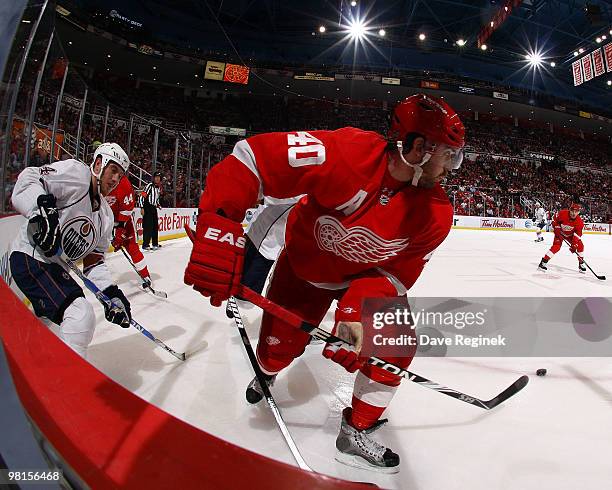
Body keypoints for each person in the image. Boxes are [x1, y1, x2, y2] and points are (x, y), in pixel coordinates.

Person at [184, 93, 466, 473]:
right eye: (449, 154)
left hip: (362, 281)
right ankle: (267, 371)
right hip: (304, 272)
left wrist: (355, 313)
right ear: (418, 148)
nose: (453, 166)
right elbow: (252, 159)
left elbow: (396, 275)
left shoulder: (437, 213)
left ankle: (357, 430)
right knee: (276, 353)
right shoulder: (346, 153)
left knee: (396, 343)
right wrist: (220, 223)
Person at [9, 143, 132, 359]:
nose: (115, 180)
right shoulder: (77, 174)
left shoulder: (106, 216)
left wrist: (110, 293)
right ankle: (67, 383)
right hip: (30, 255)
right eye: (113, 170)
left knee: (60, 325)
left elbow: (94, 261)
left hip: (54, 268)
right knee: (80, 315)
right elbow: (29, 177)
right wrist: (40, 211)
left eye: (120, 176)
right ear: (98, 163)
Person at [105, 174, 153, 288]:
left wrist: (119, 234)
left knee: (132, 248)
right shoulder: (99, 180)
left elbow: (126, 211)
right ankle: (100, 280)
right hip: (105, 220)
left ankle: (145, 275)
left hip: (124, 222)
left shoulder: (124, 184)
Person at [538, 202, 586, 273]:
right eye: (572, 211)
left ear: (578, 212)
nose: (573, 213)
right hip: (560, 233)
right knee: (556, 246)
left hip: (570, 236)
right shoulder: (562, 213)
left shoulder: (579, 222)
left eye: (576, 212)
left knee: (580, 246)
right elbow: (554, 219)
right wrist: (556, 226)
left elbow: (577, 234)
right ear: (569, 210)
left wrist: (574, 244)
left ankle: (581, 264)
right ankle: (543, 262)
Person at [140, 171, 162, 250]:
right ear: (153, 178)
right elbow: (142, 196)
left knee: (155, 226)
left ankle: (155, 243)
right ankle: (145, 244)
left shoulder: (158, 188)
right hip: (147, 207)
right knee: (148, 226)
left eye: (158, 177)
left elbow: (156, 198)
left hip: (153, 208)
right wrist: (142, 207)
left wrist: (158, 204)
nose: (157, 178)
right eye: (156, 177)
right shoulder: (149, 186)